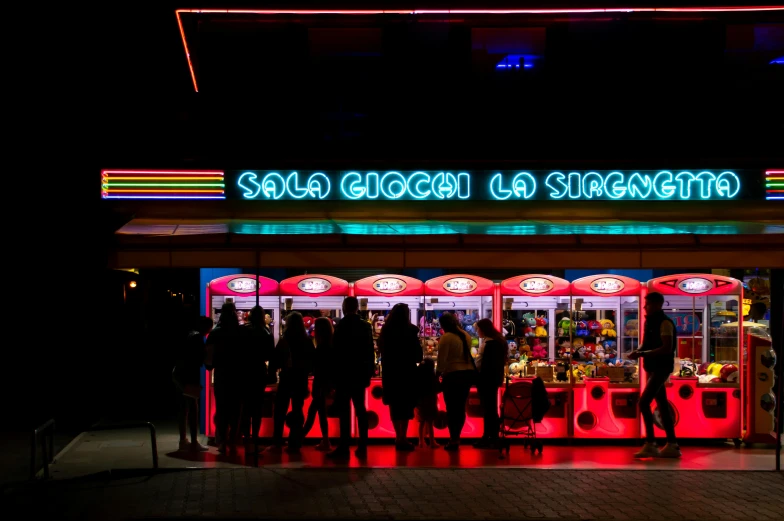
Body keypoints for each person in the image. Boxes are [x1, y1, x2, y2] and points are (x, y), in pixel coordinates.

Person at [630, 291, 681, 458]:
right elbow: (646, 344)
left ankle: (651, 442)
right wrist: (638, 351)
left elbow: (667, 348)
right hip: (653, 368)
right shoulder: (650, 322)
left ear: (658, 305)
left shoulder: (664, 323)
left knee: (643, 402)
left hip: (661, 368)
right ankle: (672, 444)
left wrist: (642, 354)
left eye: (648, 304)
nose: (645, 307)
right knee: (663, 407)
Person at [327, 297, 375, 459]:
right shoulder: (365, 326)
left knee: (344, 411)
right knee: (360, 410)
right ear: (357, 308)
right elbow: (370, 352)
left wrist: (334, 377)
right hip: (359, 374)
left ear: (345, 307)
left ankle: (344, 446)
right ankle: (363, 445)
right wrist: (368, 372)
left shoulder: (341, 325)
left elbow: (335, 353)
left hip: (344, 374)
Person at [377, 303, 423, 451]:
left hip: (391, 373)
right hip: (407, 373)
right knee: (406, 405)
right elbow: (418, 356)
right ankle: (403, 436)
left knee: (395, 406)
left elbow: (382, 352)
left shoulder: (386, 331)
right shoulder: (410, 331)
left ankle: (398, 437)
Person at [269, 312, 314, 455]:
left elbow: (275, 360)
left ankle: (277, 441)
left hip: (287, 378)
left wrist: (272, 372)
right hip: (300, 379)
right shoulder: (306, 340)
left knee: (280, 411)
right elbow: (312, 361)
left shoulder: (285, 340)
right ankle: (295, 442)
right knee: (297, 410)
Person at [436, 312, 477, 451]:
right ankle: (457, 437)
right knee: (460, 408)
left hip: (452, 375)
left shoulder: (446, 337)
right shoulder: (466, 335)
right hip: (466, 374)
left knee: (451, 409)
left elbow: (442, 360)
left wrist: (437, 375)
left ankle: (453, 438)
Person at [207, 303, 243, 453]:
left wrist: (210, 366)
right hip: (237, 375)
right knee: (235, 410)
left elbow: (209, 355)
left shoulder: (215, 332)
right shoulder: (240, 331)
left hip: (221, 374)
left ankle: (221, 441)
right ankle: (233, 440)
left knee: (222, 409)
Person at [174, 316, 213, 452]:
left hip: (180, 373)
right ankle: (193, 442)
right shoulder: (198, 338)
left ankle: (183, 440)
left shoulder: (190, 334)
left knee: (183, 408)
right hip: (189, 375)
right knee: (192, 407)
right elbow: (202, 358)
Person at [239, 306, 275, 452]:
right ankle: (255, 438)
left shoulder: (243, 330)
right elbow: (269, 355)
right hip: (259, 371)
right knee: (257, 408)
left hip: (244, 371)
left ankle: (246, 438)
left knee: (246, 407)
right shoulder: (265, 332)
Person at [473, 318, 507, 448]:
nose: (477, 332)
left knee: (488, 409)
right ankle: (492, 435)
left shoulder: (489, 343)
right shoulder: (498, 341)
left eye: (478, 329)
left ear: (483, 329)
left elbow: (481, 363)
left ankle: (488, 436)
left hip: (485, 380)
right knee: (491, 408)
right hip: (494, 379)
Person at [302, 317, 334, 451]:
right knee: (318, 412)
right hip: (326, 384)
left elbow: (315, 366)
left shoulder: (321, 347)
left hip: (320, 384)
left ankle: (299, 438)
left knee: (315, 412)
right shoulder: (331, 345)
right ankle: (324, 440)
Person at [415, 358, 440, 448]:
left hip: (420, 401)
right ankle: (432, 441)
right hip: (430, 400)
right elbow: (438, 388)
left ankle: (421, 441)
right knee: (430, 422)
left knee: (421, 422)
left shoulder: (418, 376)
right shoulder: (432, 377)